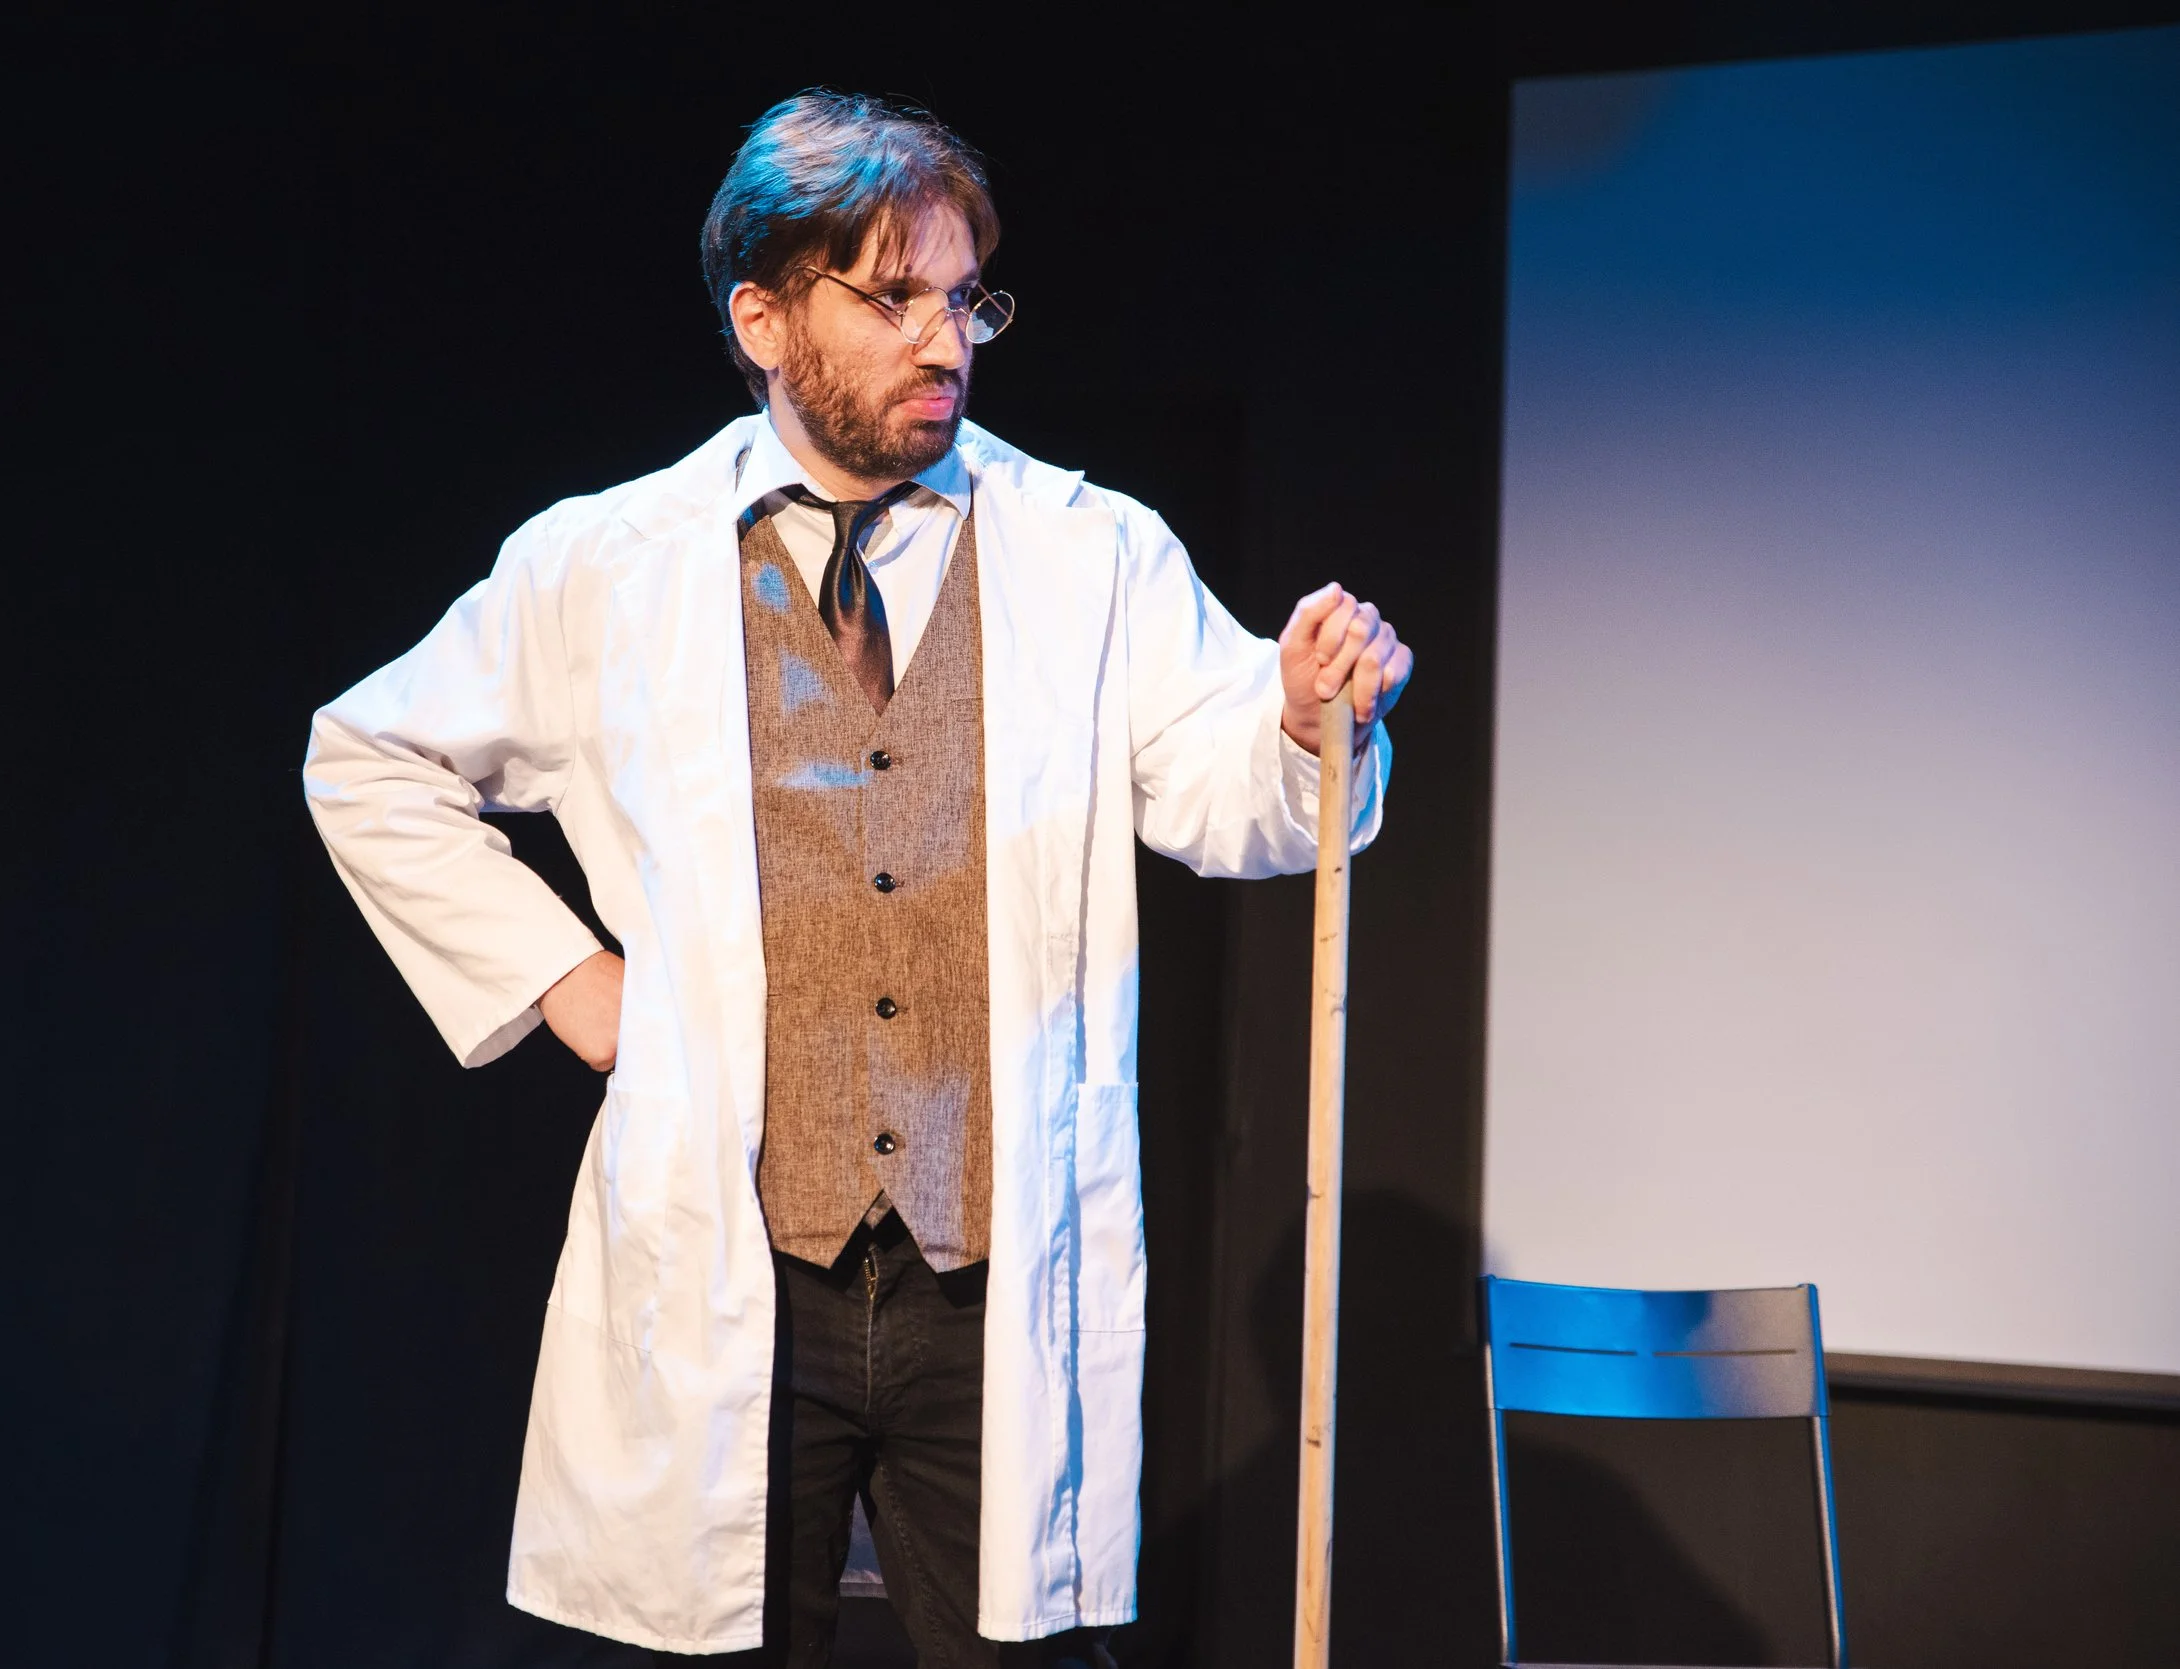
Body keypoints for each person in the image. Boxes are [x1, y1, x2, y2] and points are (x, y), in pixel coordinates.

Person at [302, 91, 1411, 1667]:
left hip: (987, 1283)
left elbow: (1237, 790)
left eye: (963, 299)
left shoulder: (1089, 555)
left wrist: (1311, 725)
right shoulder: (606, 564)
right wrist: (570, 986)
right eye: (892, 298)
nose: (942, 339)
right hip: (742, 1266)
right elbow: (366, 755)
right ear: (763, 318)